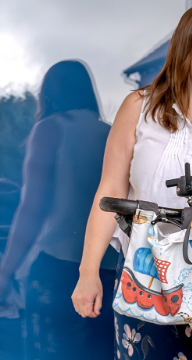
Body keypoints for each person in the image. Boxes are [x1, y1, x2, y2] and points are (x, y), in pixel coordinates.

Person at [71, 5, 192, 359]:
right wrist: (88, 272)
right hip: (145, 278)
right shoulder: (138, 107)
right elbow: (110, 191)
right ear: (186, 46)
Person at [0, 60, 116, 359]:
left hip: (57, 269)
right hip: (108, 271)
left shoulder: (50, 128)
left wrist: (6, 270)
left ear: (49, 93)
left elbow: (32, 208)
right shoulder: (111, 134)